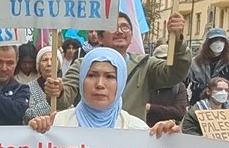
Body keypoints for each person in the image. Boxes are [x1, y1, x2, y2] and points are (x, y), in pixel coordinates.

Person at [47, 11, 189, 120]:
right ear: (100, 37)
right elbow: (63, 100)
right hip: (90, 139)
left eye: (125, 27)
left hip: (129, 141)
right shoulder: (83, 64)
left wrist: (177, 41)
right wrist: (58, 91)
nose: (120, 31)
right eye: (113, 27)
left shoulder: (145, 65)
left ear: (131, 36)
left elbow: (175, 73)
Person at [186, 27, 229, 105]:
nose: (219, 43)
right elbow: (183, 85)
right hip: (197, 103)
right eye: (215, 40)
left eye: (222, 40)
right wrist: (186, 103)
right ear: (208, 43)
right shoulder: (195, 63)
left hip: (221, 105)